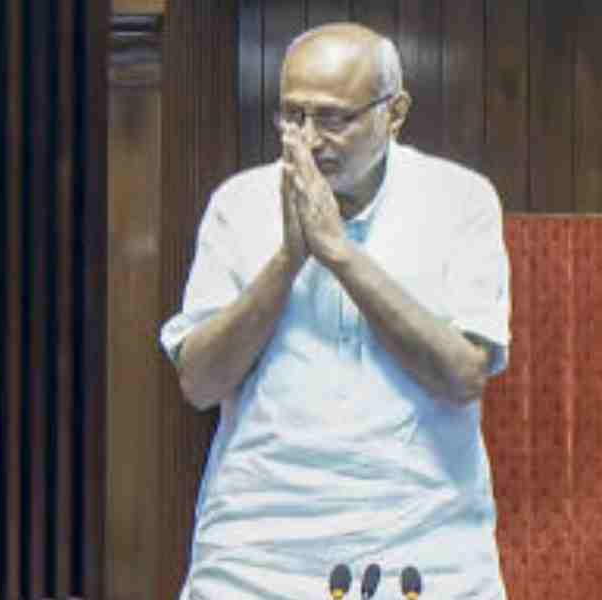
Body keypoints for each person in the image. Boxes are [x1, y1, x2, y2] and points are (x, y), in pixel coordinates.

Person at [160, 22, 511, 599]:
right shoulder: (239, 203)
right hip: (258, 539)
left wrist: (339, 253)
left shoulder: (461, 201)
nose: (308, 139)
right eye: (291, 116)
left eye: (332, 119)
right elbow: (199, 383)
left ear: (394, 114)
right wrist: (290, 258)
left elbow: (463, 375)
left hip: (421, 529)